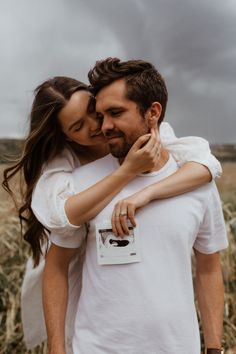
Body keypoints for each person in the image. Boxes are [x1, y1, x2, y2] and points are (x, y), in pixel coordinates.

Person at [2, 75, 221, 353]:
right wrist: (127, 171)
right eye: (78, 126)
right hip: (95, 320)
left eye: (95, 113)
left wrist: (146, 193)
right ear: (65, 136)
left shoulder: (162, 141)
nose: (98, 127)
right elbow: (64, 216)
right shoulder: (69, 173)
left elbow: (204, 163)